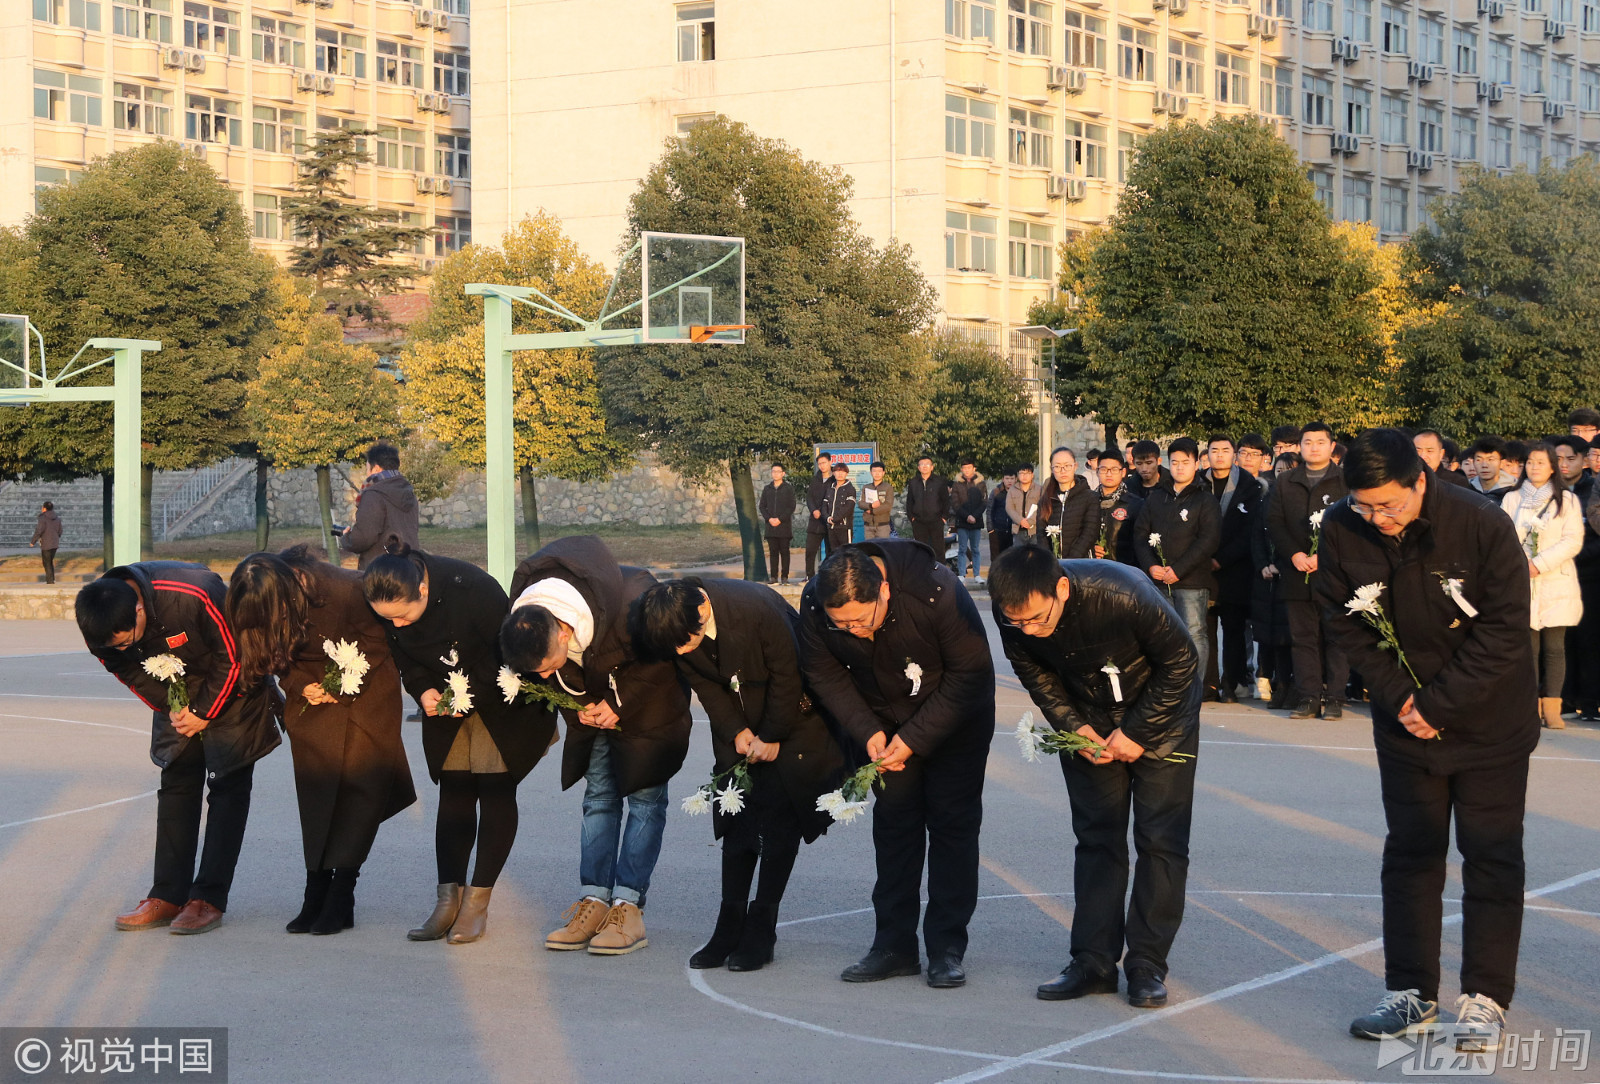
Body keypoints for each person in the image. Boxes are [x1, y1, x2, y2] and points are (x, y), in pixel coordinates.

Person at [1318, 429, 1538, 1053]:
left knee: (1491, 857)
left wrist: (1438, 704)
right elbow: (1344, 620)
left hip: (1490, 721)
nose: (1377, 519)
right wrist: (1402, 701)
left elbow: (1503, 631)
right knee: (1411, 854)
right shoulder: (1342, 527)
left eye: (1388, 505)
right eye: (1365, 507)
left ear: (1422, 481)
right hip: (1406, 723)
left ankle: (1485, 1000)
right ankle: (1410, 991)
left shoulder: (1480, 522)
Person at [989, 545, 1199, 1008]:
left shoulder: (1125, 593)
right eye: (1016, 622)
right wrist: (1076, 729)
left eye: (1037, 619)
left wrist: (1137, 731)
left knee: (1160, 840)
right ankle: (1093, 961)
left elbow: (1182, 664)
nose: (1028, 630)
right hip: (1089, 718)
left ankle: (1146, 965)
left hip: (1161, 720)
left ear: (1061, 588)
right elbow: (1037, 676)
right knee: (1097, 837)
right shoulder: (1013, 613)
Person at [798, 542, 994, 989]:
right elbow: (823, 673)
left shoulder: (936, 591)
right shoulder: (816, 598)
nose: (854, 632)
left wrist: (913, 738)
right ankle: (893, 945)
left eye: (861, 621)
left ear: (883, 590)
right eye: (841, 625)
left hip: (955, 720)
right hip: (883, 725)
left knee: (952, 829)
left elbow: (972, 674)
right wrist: (867, 730)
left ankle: (946, 948)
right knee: (895, 831)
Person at [629, 578, 845, 971]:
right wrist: (735, 731)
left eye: (683, 642)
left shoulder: (757, 612)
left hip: (795, 715)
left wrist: (772, 737)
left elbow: (788, 678)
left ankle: (763, 925)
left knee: (780, 821)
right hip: (740, 721)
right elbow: (704, 685)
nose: (679, 651)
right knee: (735, 816)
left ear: (702, 612)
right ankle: (728, 924)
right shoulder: (675, 623)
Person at [502, 535, 692, 956]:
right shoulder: (527, 619)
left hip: (651, 709)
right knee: (598, 800)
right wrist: (580, 709)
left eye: (553, 663)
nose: (548, 674)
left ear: (566, 631)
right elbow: (553, 678)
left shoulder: (635, 600)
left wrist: (618, 704)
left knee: (644, 802)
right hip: (596, 713)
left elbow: (664, 660)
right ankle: (593, 900)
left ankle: (629, 907)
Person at [364, 545, 556, 946]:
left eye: (402, 614)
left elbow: (506, 652)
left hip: (503, 698)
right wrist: (423, 690)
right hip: (446, 704)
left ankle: (476, 904)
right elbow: (403, 657)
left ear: (422, 587)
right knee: (453, 790)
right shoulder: (390, 605)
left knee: (494, 788)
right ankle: (446, 900)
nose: (396, 623)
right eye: (388, 619)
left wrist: (462, 695)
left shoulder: (472, 588)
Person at [78, 562, 282, 935]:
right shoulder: (100, 625)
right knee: (176, 781)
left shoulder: (194, 593)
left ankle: (208, 898)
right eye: (116, 645)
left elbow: (235, 655)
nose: (126, 648)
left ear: (139, 610)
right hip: (179, 689)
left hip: (235, 680)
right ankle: (168, 893)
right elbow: (129, 670)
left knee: (227, 786)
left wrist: (205, 711)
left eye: (127, 639)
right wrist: (176, 708)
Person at [226, 546, 416, 935]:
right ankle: (315, 888)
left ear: (287, 590)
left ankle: (342, 891)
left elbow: (380, 643)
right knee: (316, 791)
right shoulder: (260, 598)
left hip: (367, 689)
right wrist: (300, 684)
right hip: (310, 696)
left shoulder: (347, 590)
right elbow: (269, 655)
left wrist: (338, 686)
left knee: (360, 791)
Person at [1266, 421, 1350, 720]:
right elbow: (1274, 522)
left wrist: (1323, 555)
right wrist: (1295, 554)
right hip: (1296, 571)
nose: (1313, 447)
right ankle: (1309, 697)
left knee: (1335, 637)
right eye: (1308, 442)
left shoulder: (1345, 481)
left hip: (1333, 574)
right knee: (1303, 638)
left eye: (1320, 442)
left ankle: (1336, 697)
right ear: (1299, 447)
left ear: (1331, 446)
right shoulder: (1286, 481)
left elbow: (1352, 525)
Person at [1500, 442, 1584, 730]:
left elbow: (1573, 540)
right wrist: (1522, 564)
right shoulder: (1512, 499)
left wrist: (1540, 563)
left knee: (1554, 647)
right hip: (1522, 580)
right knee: (1528, 647)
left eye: (1540, 462)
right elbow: (1503, 537)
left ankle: (1553, 707)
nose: (1534, 467)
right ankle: (1530, 705)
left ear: (1552, 467)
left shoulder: (1567, 500)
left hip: (1555, 580)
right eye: (1530, 462)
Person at [1133, 438, 1220, 685]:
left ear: (1196, 464)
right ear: (1168, 464)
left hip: (1191, 580)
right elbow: (1140, 535)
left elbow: (1208, 540)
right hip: (1159, 580)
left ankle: (1193, 687)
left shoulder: (1205, 499)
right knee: (1161, 636)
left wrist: (1178, 570)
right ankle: (1167, 687)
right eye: (1175, 462)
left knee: (1194, 633)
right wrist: (1151, 566)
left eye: (1186, 462)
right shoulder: (1156, 497)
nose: (1180, 467)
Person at [1205, 434, 1264, 703]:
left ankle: (1234, 681)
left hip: (1236, 568)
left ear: (1234, 454)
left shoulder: (1249, 485)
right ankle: (1208, 683)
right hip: (1201, 567)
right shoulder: (1197, 483)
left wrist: (1222, 558)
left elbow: (1250, 529)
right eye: (1214, 450)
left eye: (1225, 450)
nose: (1219, 455)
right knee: (1203, 629)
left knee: (1233, 629)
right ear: (1206, 455)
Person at [1554, 436, 1600, 719]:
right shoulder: (1547, 491)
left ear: (1583, 460)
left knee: (1589, 641)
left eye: (1570, 458)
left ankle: (1590, 700)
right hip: (1556, 576)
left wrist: (1570, 554)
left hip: (1590, 575)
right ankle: (1565, 698)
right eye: (1557, 459)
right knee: (1562, 642)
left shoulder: (1591, 489)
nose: (1563, 464)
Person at [1253, 452, 1301, 708]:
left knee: (1295, 637)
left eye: (1288, 470)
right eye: (1279, 470)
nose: (1283, 475)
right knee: (1276, 637)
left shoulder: (1302, 499)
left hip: (1292, 573)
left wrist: (1283, 563)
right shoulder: (1267, 497)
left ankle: (1297, 686)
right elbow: (1257, 536)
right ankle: (1280, 684)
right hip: (1268, 577)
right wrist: (1263, 563)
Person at [339, 442, 421, 569]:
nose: (367, 474)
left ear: (376, 468)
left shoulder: (374, 495)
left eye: (367, 469)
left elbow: (364, 538)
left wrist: (346, 538)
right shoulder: (409, 493)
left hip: (383, 572)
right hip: (411, 568)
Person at [1036, 447, 1099, 559]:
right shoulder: (1046, 500)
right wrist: (1050, 561)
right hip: (1054, 565)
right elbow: (1041, 535)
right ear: (1052, 469)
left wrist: (1070, 561)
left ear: (1075, 466)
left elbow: (1089, 533)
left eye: (1067, 466)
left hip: (1082, 564)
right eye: (1057, 466)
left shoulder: (1089, 497)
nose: (1063, 470)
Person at [1093, 450, 1145, 566]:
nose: (1109, 474)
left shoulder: (1135, 504)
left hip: (1125, 570)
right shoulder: (1089, 501)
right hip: (1093, 570)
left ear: (1123, 472)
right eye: (1104, 469)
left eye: (1114, 469)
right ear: (1097, 472)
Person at [949, 459, 988, 581]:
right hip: (962, 521)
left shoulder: (981, 483)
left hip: (976, 521)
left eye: (969, 468)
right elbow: (955, 504)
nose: (966, 470)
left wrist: (974, 516)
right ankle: (961, 574)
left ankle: (977, 574)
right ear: (961, 469)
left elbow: (984, 502)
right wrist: (966, 516)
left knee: (975, 549)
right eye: (964, 468)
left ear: (974, 468)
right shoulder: (957, 484)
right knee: (962, 548)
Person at [758, 464, 796, 585]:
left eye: (778, 471)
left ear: (783, 473)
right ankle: (773, 577)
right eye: (773, 471)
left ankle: (785, 576)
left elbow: (791, 506)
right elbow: (762, 506)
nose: (775, 474)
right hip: (770, 527)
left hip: (784, 526)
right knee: (773, 552)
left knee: (785, 552)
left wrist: (780, 519)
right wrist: (769, 519)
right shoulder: (767, 489)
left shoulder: (788, 488)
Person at [905, 455, 950, 558]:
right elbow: (909, 502)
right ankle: (922, 572)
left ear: (932, 467)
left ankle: (939, 572)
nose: (924, 466)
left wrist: (944, 518)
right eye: (922, 464)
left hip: (936, 520)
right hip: (918, 521)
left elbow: (946, 501)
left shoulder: (940, 481)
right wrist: (912, 518)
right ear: (918, 467)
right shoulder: (913, 482)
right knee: (920, 549)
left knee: (938, 549)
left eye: (927, 464)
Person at [805, 452, 833, 579]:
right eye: (819, 463)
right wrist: (813, 510)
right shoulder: (815, 479)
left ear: (830, 462)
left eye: (824, 463)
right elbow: (809, 497)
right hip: (815, 520)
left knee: (830, 551)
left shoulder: (834, 480)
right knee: (810, 550)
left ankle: (827, 576)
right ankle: (809, 575)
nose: (822, 466)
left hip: (828, 521)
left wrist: (824, 512)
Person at [823, 462, 858, 555]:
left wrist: (835, 518)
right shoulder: (830, 489)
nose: (840, 474)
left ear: (846, 473)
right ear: (833, 473)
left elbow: (849, 507)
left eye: (842, 471)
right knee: (834, 553)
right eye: (837, 471)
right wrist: (827, 518)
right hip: (831, 527)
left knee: (846, 553)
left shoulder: (850, 489)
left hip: (844, 527)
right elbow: (824, 506)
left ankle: (847, 570)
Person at [1006, 463, 1042, 546]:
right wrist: (1021, 520)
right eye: (1022, 473)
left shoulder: (1039, 489)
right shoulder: (1012, 490)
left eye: (1027, 473)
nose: (1024, 476)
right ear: (1018, 475)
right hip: (1018, 529)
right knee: (1019, 556)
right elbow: (1009, 508)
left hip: (1034, 530)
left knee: (1034, 556)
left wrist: (1030, 521)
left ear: (1032, 475)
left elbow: (1042, 507)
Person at [861, 461, 895, 540]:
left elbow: (888, 505)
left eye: (879, 471)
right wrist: (870, 506)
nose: (877, 473)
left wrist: (872, 510)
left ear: (883, 473)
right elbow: (860, 503)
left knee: (882, 549)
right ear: (871, 472)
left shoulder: (888, 487)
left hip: (882, 526)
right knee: (870, 550)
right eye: (874, 471)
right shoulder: (866, 487)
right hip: (868, 526)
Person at [30, 501, 62, 584]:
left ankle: (50, 581)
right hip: (55, 543)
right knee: (50, 561)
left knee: (47, 563)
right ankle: (51, 579)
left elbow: (39, 531)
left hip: (46, 544)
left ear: (44, 508)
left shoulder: (42, 518)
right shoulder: (57, 518)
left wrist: (33, 541)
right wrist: (55, 538)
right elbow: (60, 531)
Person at [987, 471, 1015, 563]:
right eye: (1007, 479)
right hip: (997, 530)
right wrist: (990, 529)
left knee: (1012, 558)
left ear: (1016, 479)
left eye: (1012, 479)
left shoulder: (1018, 493)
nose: (1009, 481)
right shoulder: (996, 492)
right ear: (1003, 479)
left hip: (1013, 530)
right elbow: (990, 510)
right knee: (997, 559)